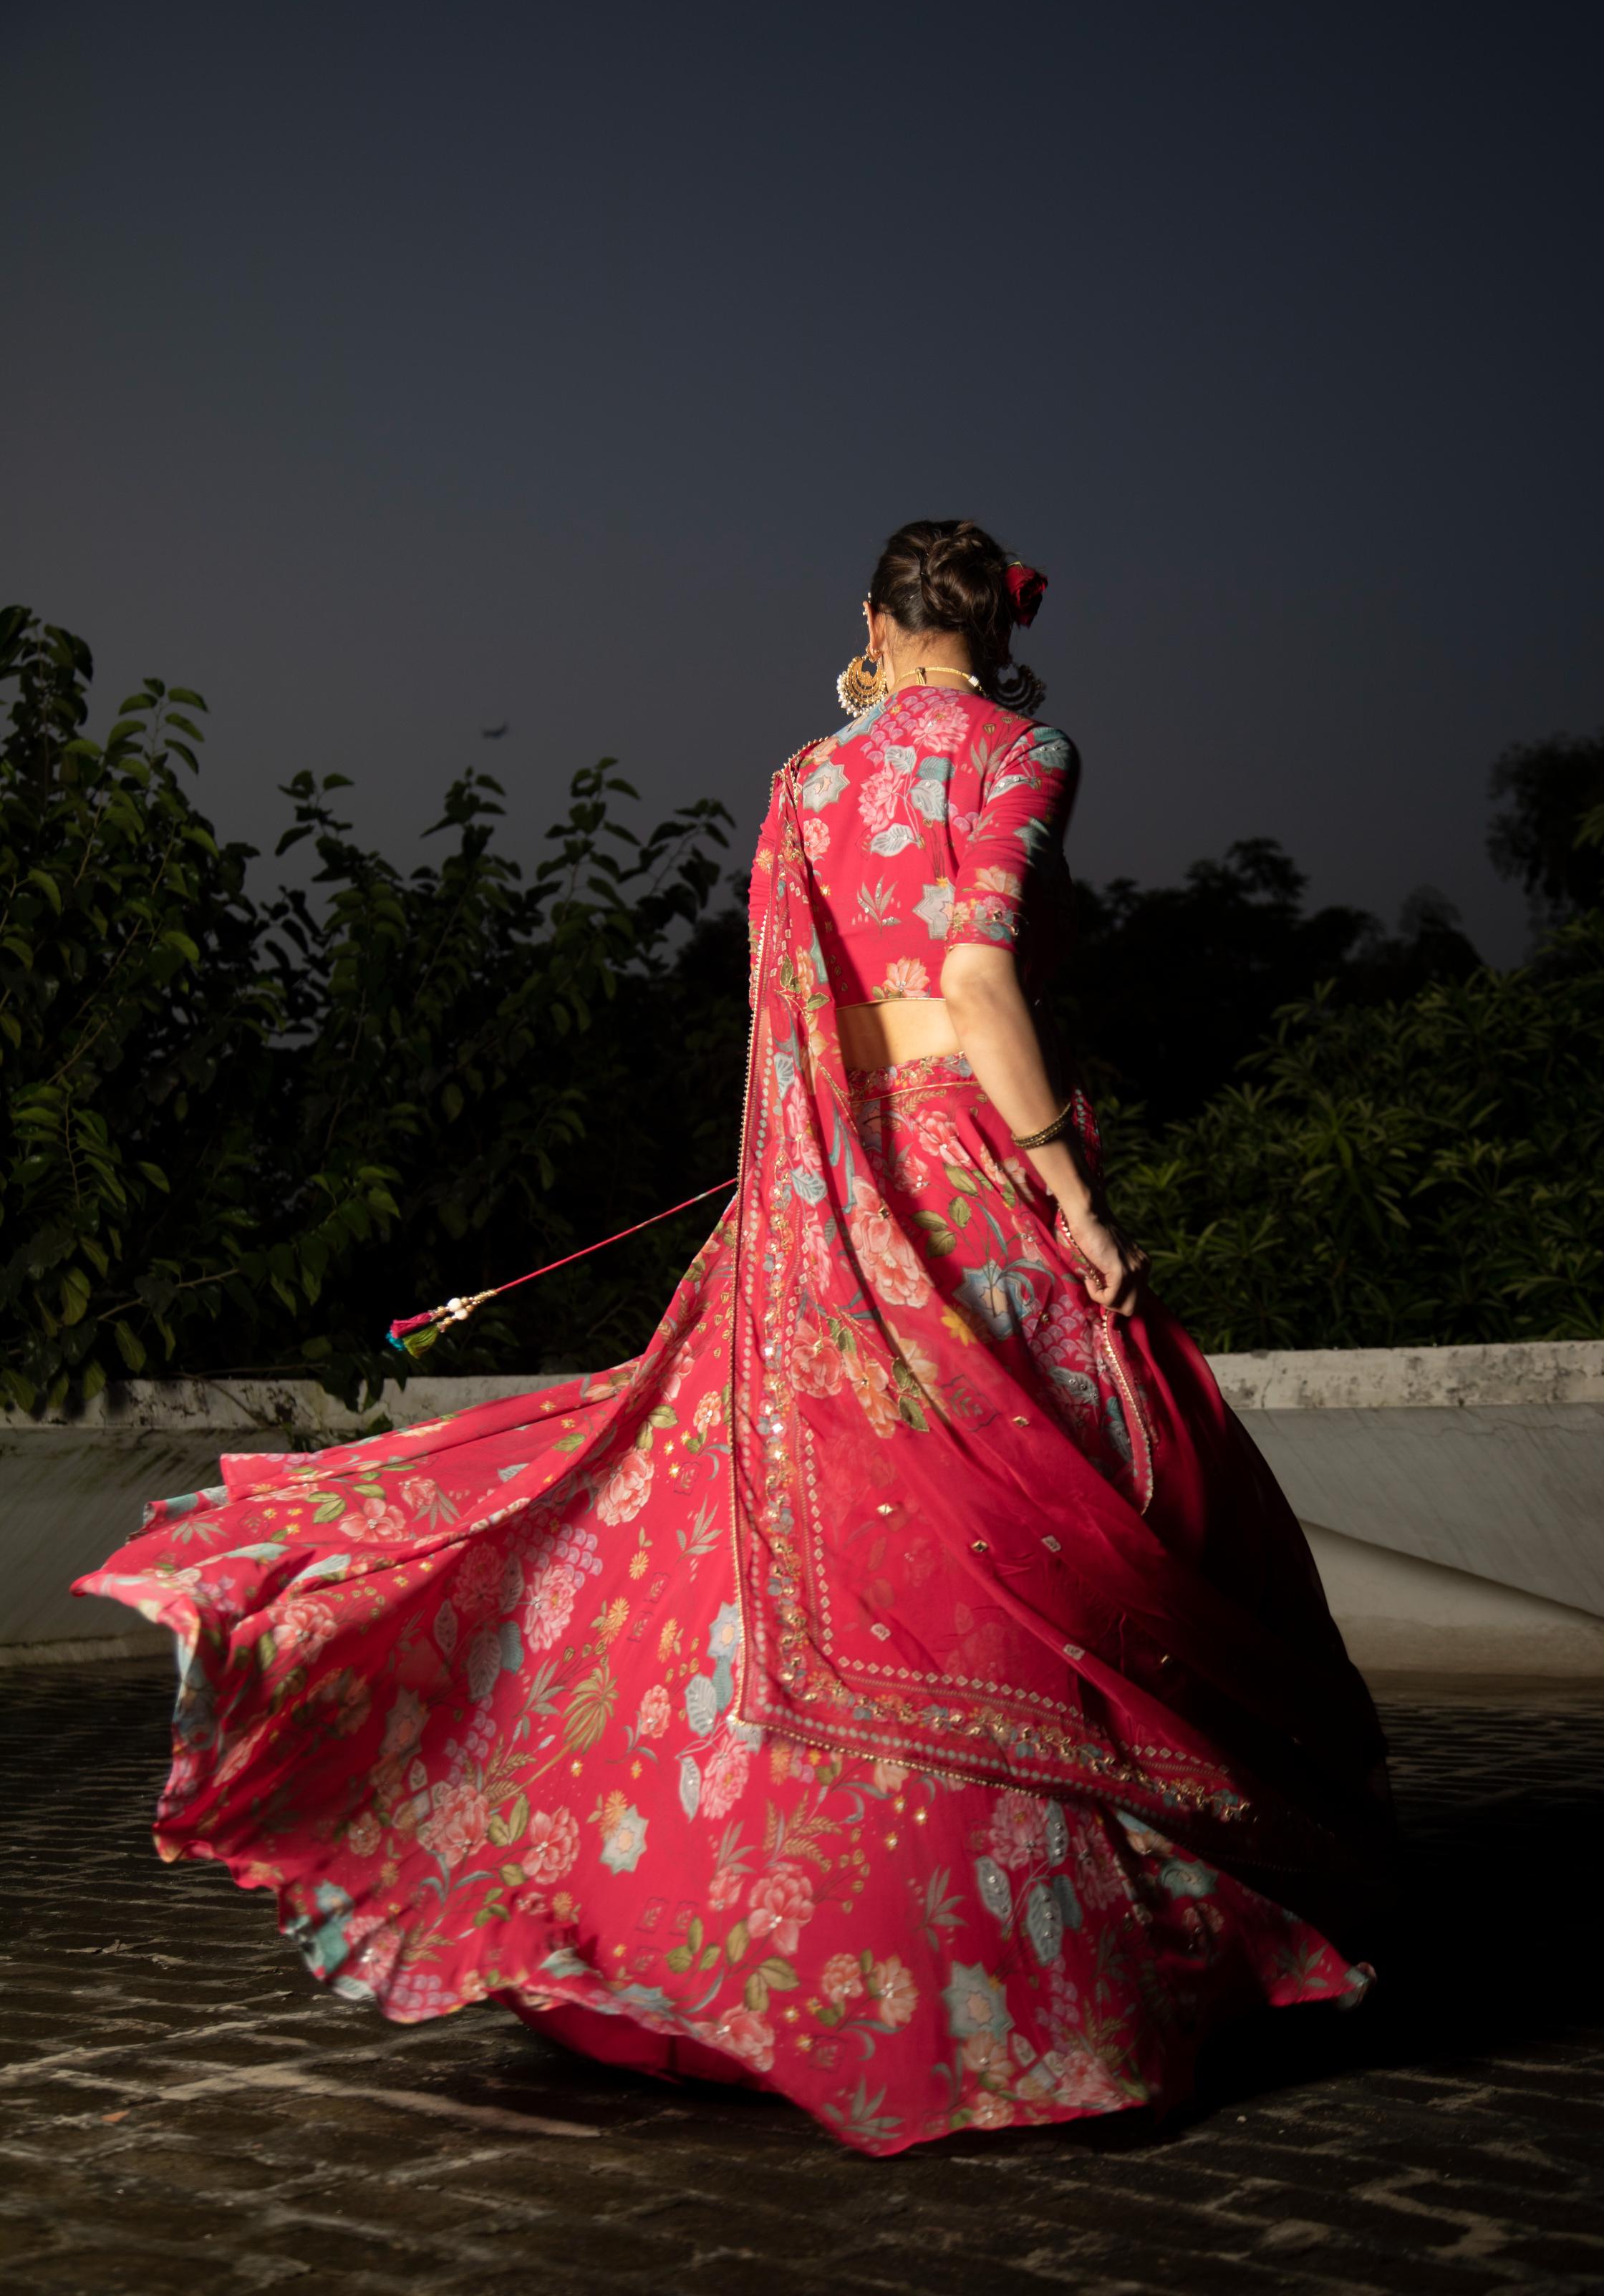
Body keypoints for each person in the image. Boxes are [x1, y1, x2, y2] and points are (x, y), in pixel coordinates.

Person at [78, 519, 1393, 2156]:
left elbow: (799, 1019)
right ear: (994, 634)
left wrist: (815, 1176)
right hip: (966, 1170)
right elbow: (976, 976)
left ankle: (760, 1949)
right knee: (1064, 1522)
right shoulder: (1020, 747)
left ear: (868, 623)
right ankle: (1051, 1963)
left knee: (821, 1536)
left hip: (834, 1189)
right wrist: (1071, 1192)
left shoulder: (806, 779)